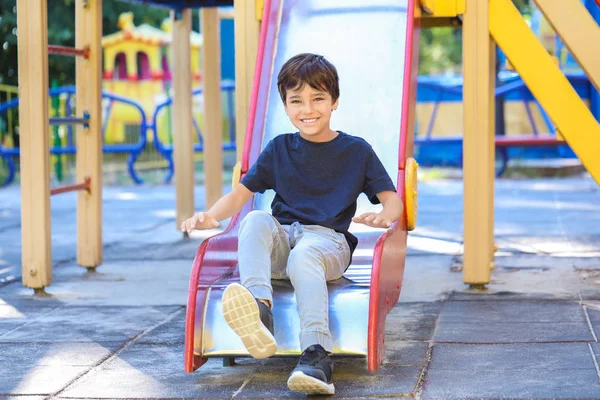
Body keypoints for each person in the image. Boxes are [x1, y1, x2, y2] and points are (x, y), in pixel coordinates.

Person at [181, 53, 403, 395]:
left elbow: (392, 199)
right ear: (285, 106)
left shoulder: (356, 151)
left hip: (326, 244)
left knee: (305, 256)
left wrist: (385, 215)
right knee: (255, 219)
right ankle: (259, 311)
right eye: (296, 100)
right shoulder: (279, 148)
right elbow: (239, 197)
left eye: (318, 98)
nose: (307, 108)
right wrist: (210, 215)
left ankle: (316, 355)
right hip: (283, 243)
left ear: (334, 102)